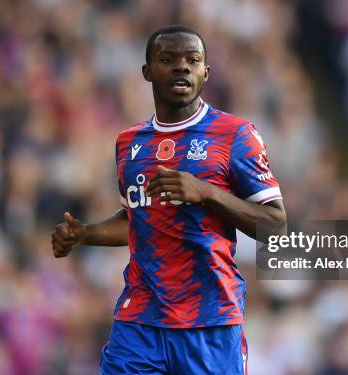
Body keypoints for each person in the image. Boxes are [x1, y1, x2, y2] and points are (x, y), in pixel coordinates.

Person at [51, 25, 286, 375]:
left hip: (209, 320)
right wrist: (85, 233)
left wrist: (206, 192)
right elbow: (140, 218)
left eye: (192, 60)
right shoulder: (129, 144)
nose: (181, 67)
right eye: (168, 59)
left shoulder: (235, 134)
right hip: (139, 319)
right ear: (148, 72)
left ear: (206, 73)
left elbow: (275, 225)